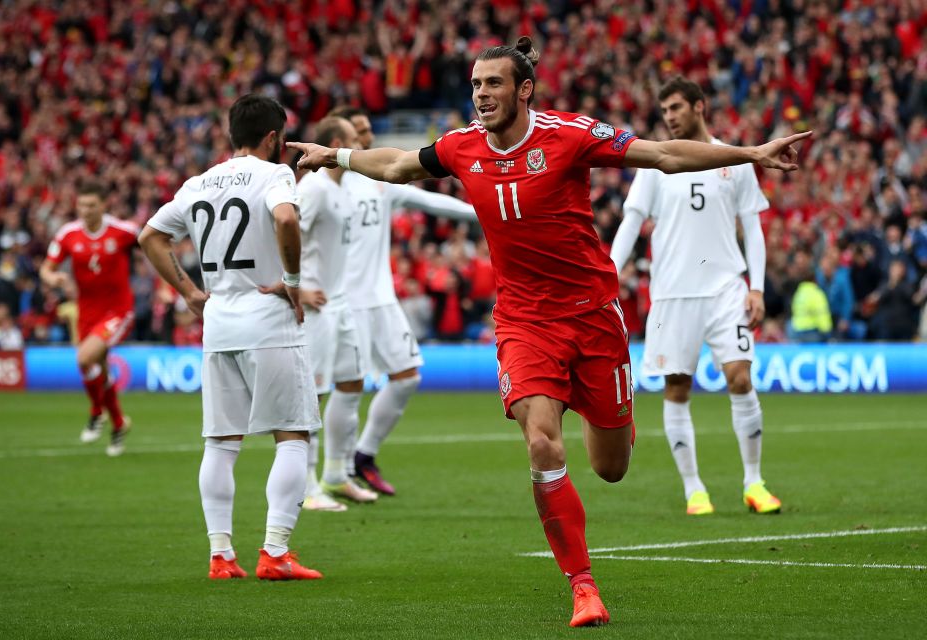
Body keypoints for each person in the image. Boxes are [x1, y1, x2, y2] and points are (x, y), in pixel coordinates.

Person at [288, 38, 808, 627]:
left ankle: (610, 417)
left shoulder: (570, 135)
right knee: (540, 442)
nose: (481, 94)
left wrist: (751, 152)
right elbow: (399, 165)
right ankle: (583, 586)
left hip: (592, 315)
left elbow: (664, 154)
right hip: (523, 320)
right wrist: (335, 156)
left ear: (524, 89)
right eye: (477, 84)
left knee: (611, 466)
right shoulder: (462, 147)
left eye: (493, 84)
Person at [140, 94, 322, 582]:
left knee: (220, 444)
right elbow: (285, 218)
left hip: (218, 321)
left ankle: (221, 555)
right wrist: (291, 278)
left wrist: (188, 292)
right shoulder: (275, 174)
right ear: (272, 138)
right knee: (292, 436)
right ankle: (276, 552)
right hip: (268, 319)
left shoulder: (197, 183)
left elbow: (149, 237)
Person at [610, 76, 783, 517]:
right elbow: (631, 222)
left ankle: (754, 482)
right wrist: (607, 274)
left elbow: (754, 229)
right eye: (664, 109)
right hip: (671, 294)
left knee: (740, 378)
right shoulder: (656, 165)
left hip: (727, 288)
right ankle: (694, 488)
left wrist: (757, 286)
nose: (668, 116)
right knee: (677, 387)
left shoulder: (734, 161)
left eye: (675, 107)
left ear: (699, 107)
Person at [327, 105, 477, 496]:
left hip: (381, 299)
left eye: (366, 129)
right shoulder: (327, 184)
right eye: (358, 130)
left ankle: (363, 456)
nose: (366, 137)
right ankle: (335, 472)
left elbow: (433, 203)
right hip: (345, 300)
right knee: (349, 387)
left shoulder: (379, 180)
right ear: (339, 140)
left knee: (408, 377)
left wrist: (482, 210)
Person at [296, 116, 378, 511]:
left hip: (339, 302)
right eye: (351, 141)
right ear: (333, 143)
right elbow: (285, 231)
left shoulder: (342, 188)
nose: (358, 147)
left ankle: (335, 474)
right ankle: (306, 486)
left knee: (351, 383)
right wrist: (292, 286)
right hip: (316, 306)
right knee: (311, 394)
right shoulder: (312, 189)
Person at [39, 181, 138, 456]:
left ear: (104, 205)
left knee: (85, 358)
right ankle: (118, 423)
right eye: (82, 205)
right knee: (96, 367)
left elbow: (154, 243)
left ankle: (97, 412)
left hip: (118, 310)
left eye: (92, 205)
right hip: (87, 311)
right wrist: (54, 277)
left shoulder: (123, 231)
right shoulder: (68, 234)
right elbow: (46, 269)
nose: (86, 210)